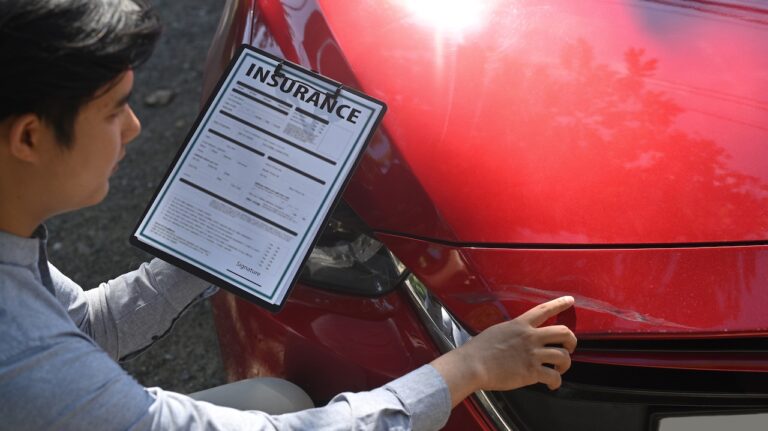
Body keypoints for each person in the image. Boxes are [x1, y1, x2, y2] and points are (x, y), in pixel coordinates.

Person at [0, 0, 578, 430]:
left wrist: (225, 232)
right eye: (113, 111)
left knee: (271, 397)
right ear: (28, 137)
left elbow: (86, 327)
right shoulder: (27, 357)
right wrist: (468, 369)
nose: (134, 128)